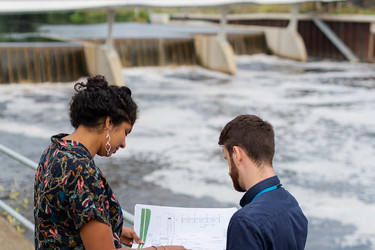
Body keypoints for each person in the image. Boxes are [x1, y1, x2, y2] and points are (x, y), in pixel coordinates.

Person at [34, 75, 188, 250]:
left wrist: (113, 230)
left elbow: (61, 221)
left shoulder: (54, 150)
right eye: (125, 132)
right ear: (108, 122)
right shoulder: (82, 170)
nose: (123, 144)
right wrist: (162, 249)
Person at [218, 114, 308, 250]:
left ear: (237, 154)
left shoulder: (245, 222)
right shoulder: (292, 205)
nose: (229, 171)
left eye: (227, 159)